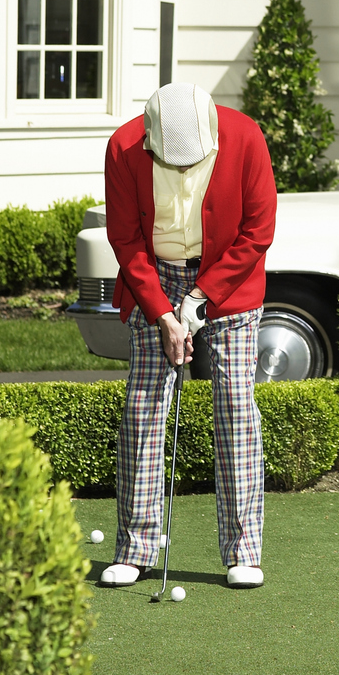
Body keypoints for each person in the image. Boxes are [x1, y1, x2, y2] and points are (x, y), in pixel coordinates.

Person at [99, 80, 277, 590]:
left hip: (229, 280)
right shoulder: (122, 147)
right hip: (153, 277)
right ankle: (135, 549)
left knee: (236, 405)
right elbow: (125, 237)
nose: (181, 169)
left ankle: (244, 552)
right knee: (143, 409)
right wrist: (163, 314)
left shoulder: (246, 138)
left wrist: (201, 298)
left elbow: (258, 232)